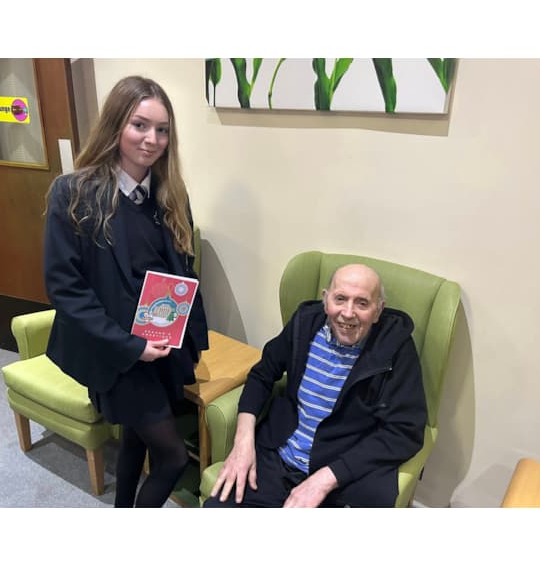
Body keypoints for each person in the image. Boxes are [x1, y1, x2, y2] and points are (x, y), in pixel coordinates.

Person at [44, 75, 208, 507]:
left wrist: (182, 334)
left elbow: (182, 270)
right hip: (114, 350)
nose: (152, 140)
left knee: (136, 438)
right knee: (172, 457)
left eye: (162, 129)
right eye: (140, 125)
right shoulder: (74, 193)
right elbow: (65, 288)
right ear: (116, 124)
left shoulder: (171, 195)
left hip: (161, 344)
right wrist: (130, 346)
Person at [205, 263, 426, 508]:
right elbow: (262, 374)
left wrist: (325, 479)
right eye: (340, 299)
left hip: (342, 477)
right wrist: (243, 442)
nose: (348, 313)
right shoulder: (305, 323)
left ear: (378, 311)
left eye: (362, 303)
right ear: (325, 300)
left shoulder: (396, 348)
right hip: (277, 458)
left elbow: (406, 431)